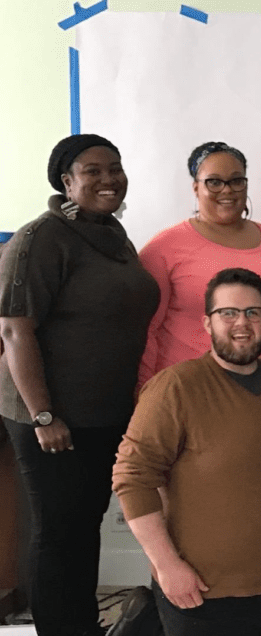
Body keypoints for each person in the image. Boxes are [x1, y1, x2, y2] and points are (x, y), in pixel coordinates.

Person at [0, 134, 159, 636]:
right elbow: (13, 329)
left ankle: (80, 624)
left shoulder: (112, 235)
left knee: (82, 525)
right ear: (67, 182)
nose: (108, 178)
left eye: (114, 167)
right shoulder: (42, 237)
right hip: (52, 419)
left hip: (101, 414)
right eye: (92, 171)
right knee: (58, 533)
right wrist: (44, 415)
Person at [112, 268, 261, 636]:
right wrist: (166, 565)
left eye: (253, 312)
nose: (242, 323)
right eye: (228, 313)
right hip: (201, 598)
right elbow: (132, 478)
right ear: (207, 323)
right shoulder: (174, 387)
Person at [137, 141, 261, 388]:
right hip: (190, 392)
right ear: (195, 187)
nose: (227, 190)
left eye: (236, 181)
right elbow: (144, 332)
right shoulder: (163, 249)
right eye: (213, 181)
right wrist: (145, 396)